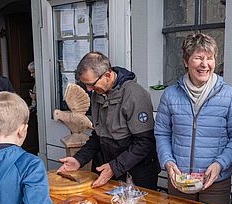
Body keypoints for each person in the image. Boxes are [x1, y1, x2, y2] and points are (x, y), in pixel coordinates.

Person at [155, 33, 232, 204]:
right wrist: (168, 161)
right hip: (179, 180)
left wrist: (221, 164)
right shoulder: (170, 95)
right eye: (198, 58)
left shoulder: (229, 95)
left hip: (215, 182)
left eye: (210, 58)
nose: (205, 64)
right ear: (186, 61)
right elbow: (162, 133)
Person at [58, 52, 160, 190]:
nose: (89, 89)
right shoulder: (97, 94)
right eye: (85, 85)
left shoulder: (135, 94)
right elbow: (97, 137)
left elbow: (144, 142)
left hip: (137, 175)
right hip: (108, 171)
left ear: (107, 75)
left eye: (91, 84)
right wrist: (78, 160)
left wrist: (114, 167)